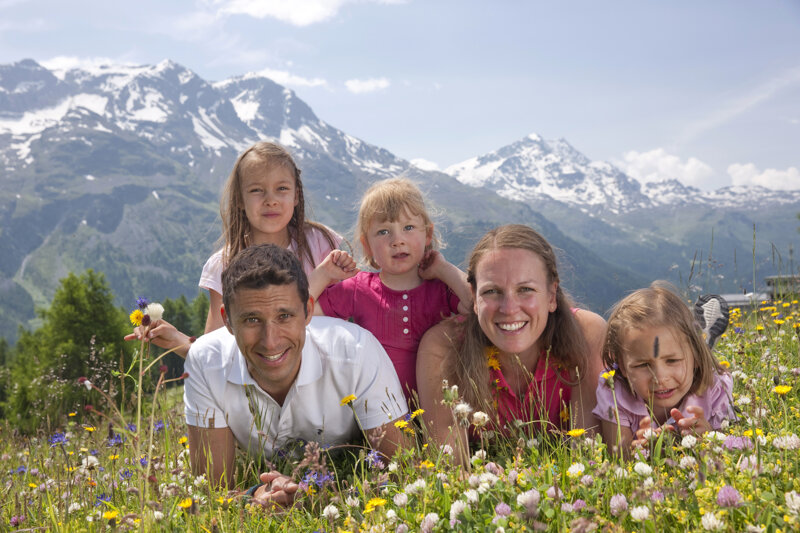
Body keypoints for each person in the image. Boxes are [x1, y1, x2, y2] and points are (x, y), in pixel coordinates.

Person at [183, 244, 407, 504]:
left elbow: (403, 470)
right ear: (227, 320)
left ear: (308, 311)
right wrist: (254, 494)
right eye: (252, 320)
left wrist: (325, 499)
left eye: (285, 316)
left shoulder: (355, 351)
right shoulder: (204, 361)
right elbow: (212, 492)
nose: (270, 341)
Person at [127, 142, 343, 356]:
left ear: (296, 195)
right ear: (239, 199)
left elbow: (354, 303)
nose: (271, 200)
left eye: (282, 189)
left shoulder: (319, 243)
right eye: (257, 190)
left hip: (326, 371)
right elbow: (216, 350)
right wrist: (179, 341)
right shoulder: (223, 264)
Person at [416, 224, 606, 465]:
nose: (509, 309)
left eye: (525, 289)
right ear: (474, 297)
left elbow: (588, 455)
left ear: (551, 295)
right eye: (492, 291)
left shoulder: (587, 334)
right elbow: (451, 469)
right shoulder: (443, 346)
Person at [307, 177, 471, 404]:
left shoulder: (440, 289)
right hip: (377, 411)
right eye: (384, 232)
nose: (397, 240)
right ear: (367, 245)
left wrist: (444, 269)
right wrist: (323, 275)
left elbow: (477, 305)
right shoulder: (358, 289)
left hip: (435, 409)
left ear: (428, 235)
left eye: (409, 228)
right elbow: (300, 312)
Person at [594, 282, 734, 456]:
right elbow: (618, 457)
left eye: (672, 360)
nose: (659, 377)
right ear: (622, 366)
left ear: (696, 356)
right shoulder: (615, 394)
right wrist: (641, 452)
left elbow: (732, 450)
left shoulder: (714, 389)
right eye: (643, 365)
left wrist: (709, 437)